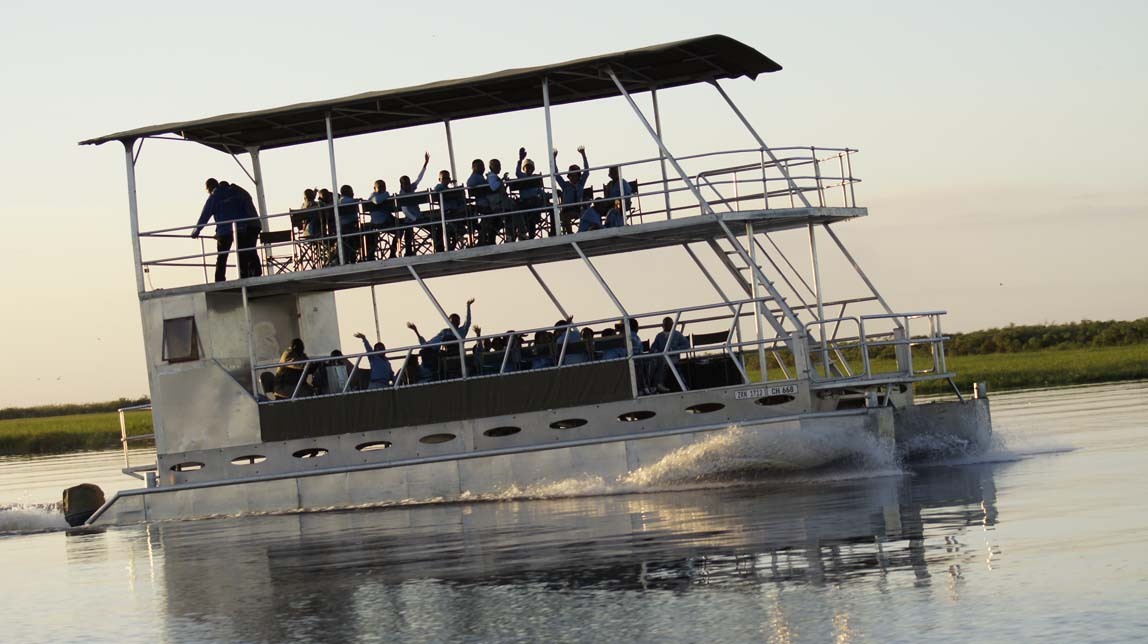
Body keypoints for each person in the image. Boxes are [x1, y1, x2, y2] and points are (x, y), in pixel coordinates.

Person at [191, 178, 256, 282]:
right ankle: (244, 276)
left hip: (224, 231)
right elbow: (245, 205)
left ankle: (220, 279)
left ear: (209, 188)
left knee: (222, 257)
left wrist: (196, 231)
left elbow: (205, 215)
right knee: (242, 254)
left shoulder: (214, 197)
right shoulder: (235, 193)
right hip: (240, 228)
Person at [406, 297, 475, 379]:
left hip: (457, 354)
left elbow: (468, 321)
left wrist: (468, 306)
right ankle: (428, 370)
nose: (455, 322)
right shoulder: (444, 331)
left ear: (459, 322)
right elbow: (433, 341)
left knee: (440, 342)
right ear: (449, 322)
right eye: (453, 320)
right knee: (427, 350)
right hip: (444, 354)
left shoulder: (461, 331)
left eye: (457, 320)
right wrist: (416, 331)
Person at [396, 152, 431, 256]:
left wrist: (425, 164)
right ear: (401, 184)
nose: (407, 185)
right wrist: (414, 219)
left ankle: (439, 245)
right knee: (408, 232)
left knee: (432, 226)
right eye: (405, 183)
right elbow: (404, 210)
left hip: (417, 217)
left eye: (408, 182)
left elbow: (419, 179)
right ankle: (408, 251)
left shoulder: (411, 188)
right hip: (411, 219)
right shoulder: (401, 194)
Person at [553, 146, 591, 234]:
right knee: (564, 217)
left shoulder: (581, 184)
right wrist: (554, 159)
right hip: (567, 210)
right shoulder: (565, 185)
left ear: (578, 176)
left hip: (579, 210)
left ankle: (582, 232)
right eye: (571, 175)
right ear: (569, 176)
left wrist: (583, 155)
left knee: (587, 214)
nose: (573, 177)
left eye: (575, 175)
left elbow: (587, 172)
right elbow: (556, 175)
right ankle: (570, 234)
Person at [650, 317, 690, 393]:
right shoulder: (659, 336)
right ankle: (658, 384)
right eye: (666, 324)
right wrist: (658, 352)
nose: (668, 326)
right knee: (658, 363)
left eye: (669, 324)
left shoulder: (677, 335)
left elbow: (687, 345)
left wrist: (674, 350)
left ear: (672, 325)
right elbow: (653, 348)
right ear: (663, 325)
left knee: (674, 367)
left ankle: (684, 385)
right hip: (662, 358)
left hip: (674, 357)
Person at [512, 148, 545, 241]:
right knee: (528, 214)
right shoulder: (522, 176)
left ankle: (531, 235)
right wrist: (520, 160)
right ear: (524, 168)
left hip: (533, 204)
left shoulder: (536, 178)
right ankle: (523, 234)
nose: (529, 169)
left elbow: (540, 192)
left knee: (533, 215)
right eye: (527, 167)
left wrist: (549, 195)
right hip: (525, 204)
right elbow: (517, 172)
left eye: (530, 167)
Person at [432, 169, 466, 252]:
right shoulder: (440, 188)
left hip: (456, 213)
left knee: (462, 225)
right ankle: (451, 246)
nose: (446, 180)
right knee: (451, 228)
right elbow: (437, 189)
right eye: (444, 178)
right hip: (447, 215)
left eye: (447, 178)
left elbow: (461, 203)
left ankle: (454, 244)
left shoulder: (453, 192)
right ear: (439, 179)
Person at [363, 180, 396, 261]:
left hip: (380, 223)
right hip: (381, 223)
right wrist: (386, 194)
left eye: (384, 187)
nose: (382, 189)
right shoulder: (373, 196)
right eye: (380, 187)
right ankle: (392, 252)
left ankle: (393, 251)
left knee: (402, 227)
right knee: (401, 229)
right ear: (374, 188)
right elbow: (377, 201)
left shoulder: (382, 197)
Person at [337, 184, 361, 263]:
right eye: (351, 191)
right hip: (351, 227)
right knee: (371, 233)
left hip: (342, 228)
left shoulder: (339, 201)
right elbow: (356, 203)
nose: (353, 193)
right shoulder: (349, 201)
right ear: (348, 192)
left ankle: (351, 257)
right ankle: (368, 254)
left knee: (349, 241)